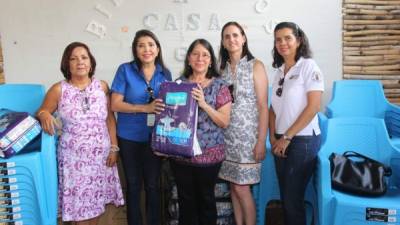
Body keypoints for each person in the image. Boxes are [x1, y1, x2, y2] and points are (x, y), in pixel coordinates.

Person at [36, 42, 124, 225]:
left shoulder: (102, 87)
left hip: (101, 157)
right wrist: (44, 114)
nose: (80, 62)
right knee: (80, 209)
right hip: (74, 160)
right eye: (73, 59)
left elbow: (109, 118)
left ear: (91, 62)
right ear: (67, 64)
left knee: (96, 205)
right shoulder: (58, 89)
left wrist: (114, 147)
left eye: (84, 57)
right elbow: (43, 110)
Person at [110, 29, 172, 225]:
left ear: (158, 48)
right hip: (129, 138)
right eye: (141, 45)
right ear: (135, 50)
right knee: (134, 185)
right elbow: (115, 104)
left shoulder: (165, 73)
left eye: (151, 45)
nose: (147, 49)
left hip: (156, 138)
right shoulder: (125, 70)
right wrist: (145, 108)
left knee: (154, 186)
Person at [169, 39, 232, 225]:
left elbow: (224, 121)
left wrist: (204, 104)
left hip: (209, 156)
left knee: (206, 200)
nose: (200, 58)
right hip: (181, 155)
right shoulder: (177, 84)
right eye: (195, 54)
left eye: (205, 55)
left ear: (211, 60)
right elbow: (170, 117)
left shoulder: (220, 86)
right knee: (185, 201)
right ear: (189, 59)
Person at [269, 22, 324, 225]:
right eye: (278, 39)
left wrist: (286, 137)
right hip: (282, 139)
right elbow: (273, 108)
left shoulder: (309, 66)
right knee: (286, 197)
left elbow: (314, 107)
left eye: (287, 38)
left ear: (298, 40)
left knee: (292, 199)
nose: (282, 43)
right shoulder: (279, 71)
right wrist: (273, 137)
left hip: (303, 140)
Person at [217, 21, 269, 225]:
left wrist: (261, 140)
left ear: (243, 38)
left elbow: (264, 106)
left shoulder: (255, 65)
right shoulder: (221, 69)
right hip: (226, 137)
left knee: (242, 187)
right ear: (222, 41)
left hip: (248, 139)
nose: (232, 39)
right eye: (227, 36)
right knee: (232, 186)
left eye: (235, 35)